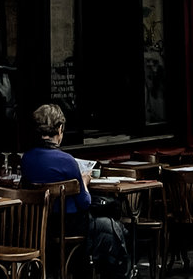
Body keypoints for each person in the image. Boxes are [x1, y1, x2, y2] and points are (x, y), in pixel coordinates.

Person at [20, 103, 130, 279]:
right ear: (60, 129)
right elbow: (84, 202)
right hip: (69, 227)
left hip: (40, 227)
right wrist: (84, 182)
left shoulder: (27, 159)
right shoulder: (67, 161)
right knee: (113, 228)